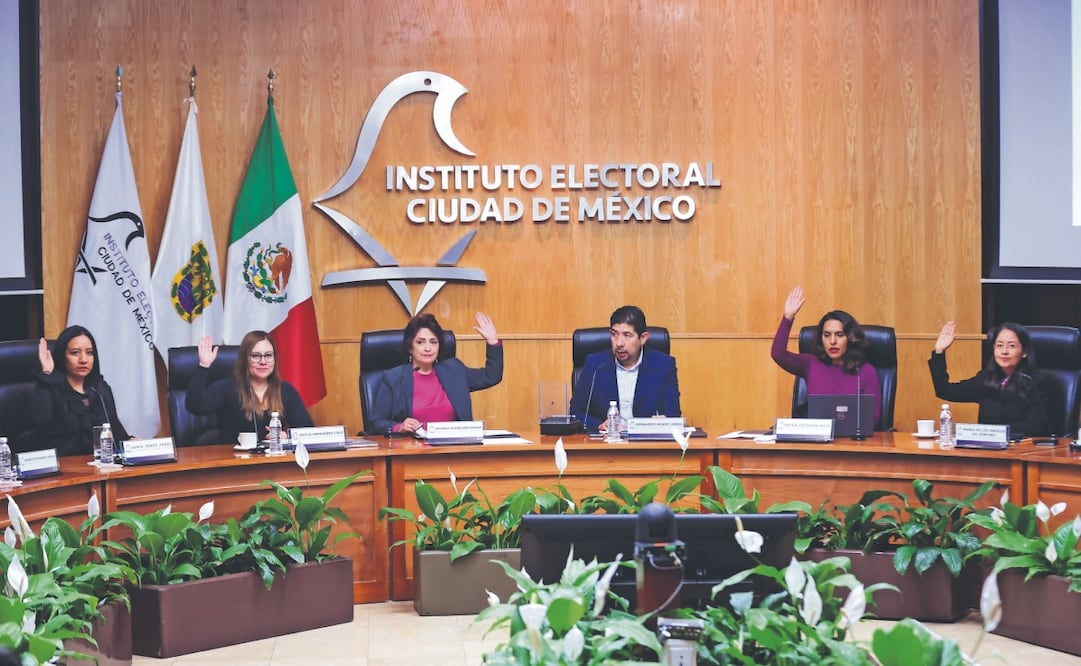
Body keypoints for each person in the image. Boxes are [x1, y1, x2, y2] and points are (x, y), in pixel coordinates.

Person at [368, 312, 503, 435]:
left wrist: (492, 341)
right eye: (420, 342)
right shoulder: (395, 377)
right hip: (412, 451)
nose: (428, 348)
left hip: (454, 450)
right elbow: (376, 421)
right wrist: (399, 426)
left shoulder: (454, 370)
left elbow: (491, 376)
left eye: (433, 342)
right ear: (410, 347)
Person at [771, 286, 881, 426]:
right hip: (817, 443)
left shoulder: (865, 371)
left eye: (839, 335)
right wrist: (788, 317)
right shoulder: (810, 364)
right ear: (821, 338)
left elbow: (875, 418)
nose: (833, 341)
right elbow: (778, 354)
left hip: (853, 442)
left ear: (851, 338)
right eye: (827, 335)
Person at [13, 325, 130, 457]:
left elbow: (113, 427)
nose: (83, 360)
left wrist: (131, 443)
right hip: (59, 470)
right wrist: (47, 373)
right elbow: (39, 421)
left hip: (97, 466)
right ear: (62, 355)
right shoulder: (51, 387)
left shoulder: (99, 388)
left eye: (89, 352)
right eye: (75, 353)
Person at [929, 321, 1053, 437]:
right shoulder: (986, 379)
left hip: (1022, 451)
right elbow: (944, 390)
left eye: (1011, 346)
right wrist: (939, 351)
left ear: (1024, 351)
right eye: (999, 345)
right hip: (988, 452)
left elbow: (1037, 427)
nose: (1004, 351)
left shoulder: (1037, 382)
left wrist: (987, 432)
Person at [186, 331, 313, 444]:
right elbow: (195, 406)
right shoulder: (227, 388)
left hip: (273, 462)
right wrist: (204, 365)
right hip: (233, 463)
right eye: (256, 356)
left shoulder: (285, 390)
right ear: (245, 360)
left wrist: (285, 435)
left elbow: (306, 429)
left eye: (268, 355)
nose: (263, 361)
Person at [569, 305, 681, 431]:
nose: (619, 343)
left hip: (646, 445)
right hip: (606, 444)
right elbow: (575, 412)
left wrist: (663, 421)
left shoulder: (664, 365)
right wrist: (599, 425)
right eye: (614, 334)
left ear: (643, 338)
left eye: (627, 335)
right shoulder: (595, 365)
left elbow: (673, 414)